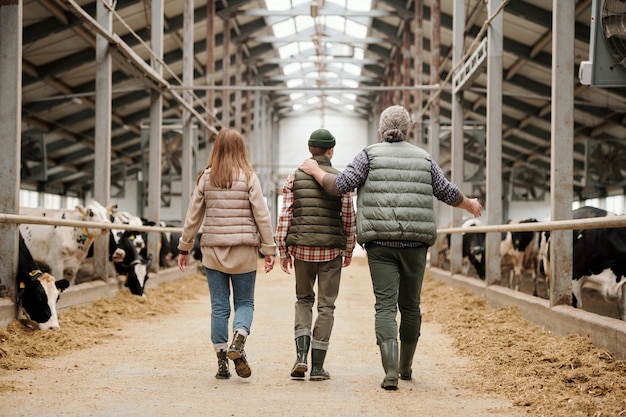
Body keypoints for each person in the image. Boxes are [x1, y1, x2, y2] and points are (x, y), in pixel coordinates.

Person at [300, 105, 482, 390]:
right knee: (411, 306)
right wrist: (469, 203)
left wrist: (314, 170)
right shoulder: (424, 158)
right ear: (407, 130)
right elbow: (446, 191)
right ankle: (406, 367)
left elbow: (342, 185)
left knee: (385, 306)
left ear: (381, 131)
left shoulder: (369, 155)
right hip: (416, 244)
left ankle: (390, 372)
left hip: (380, 243)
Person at [177, 128, 276, 380]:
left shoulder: (205, 178)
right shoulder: (249, 177)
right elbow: (262, 215)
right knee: (245, 303)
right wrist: (269, 249)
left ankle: (222, 365)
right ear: (241, 149)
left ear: (217, 148)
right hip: (244, 251)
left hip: (213, 252)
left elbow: (193, 217)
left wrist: (184, 247)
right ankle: (239, 341)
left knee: (219, 308)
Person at [275, 128, 357, 381]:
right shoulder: (340, 180)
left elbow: (285, 215)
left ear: (310, 149)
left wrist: (283, 249)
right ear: (330, 150)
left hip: (301, 249)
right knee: (326, 306)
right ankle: (318, 367)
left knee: (303, 300)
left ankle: (300, 357)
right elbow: (349, 218)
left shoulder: (294, 178)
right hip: (331, 250)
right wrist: (349, 247)